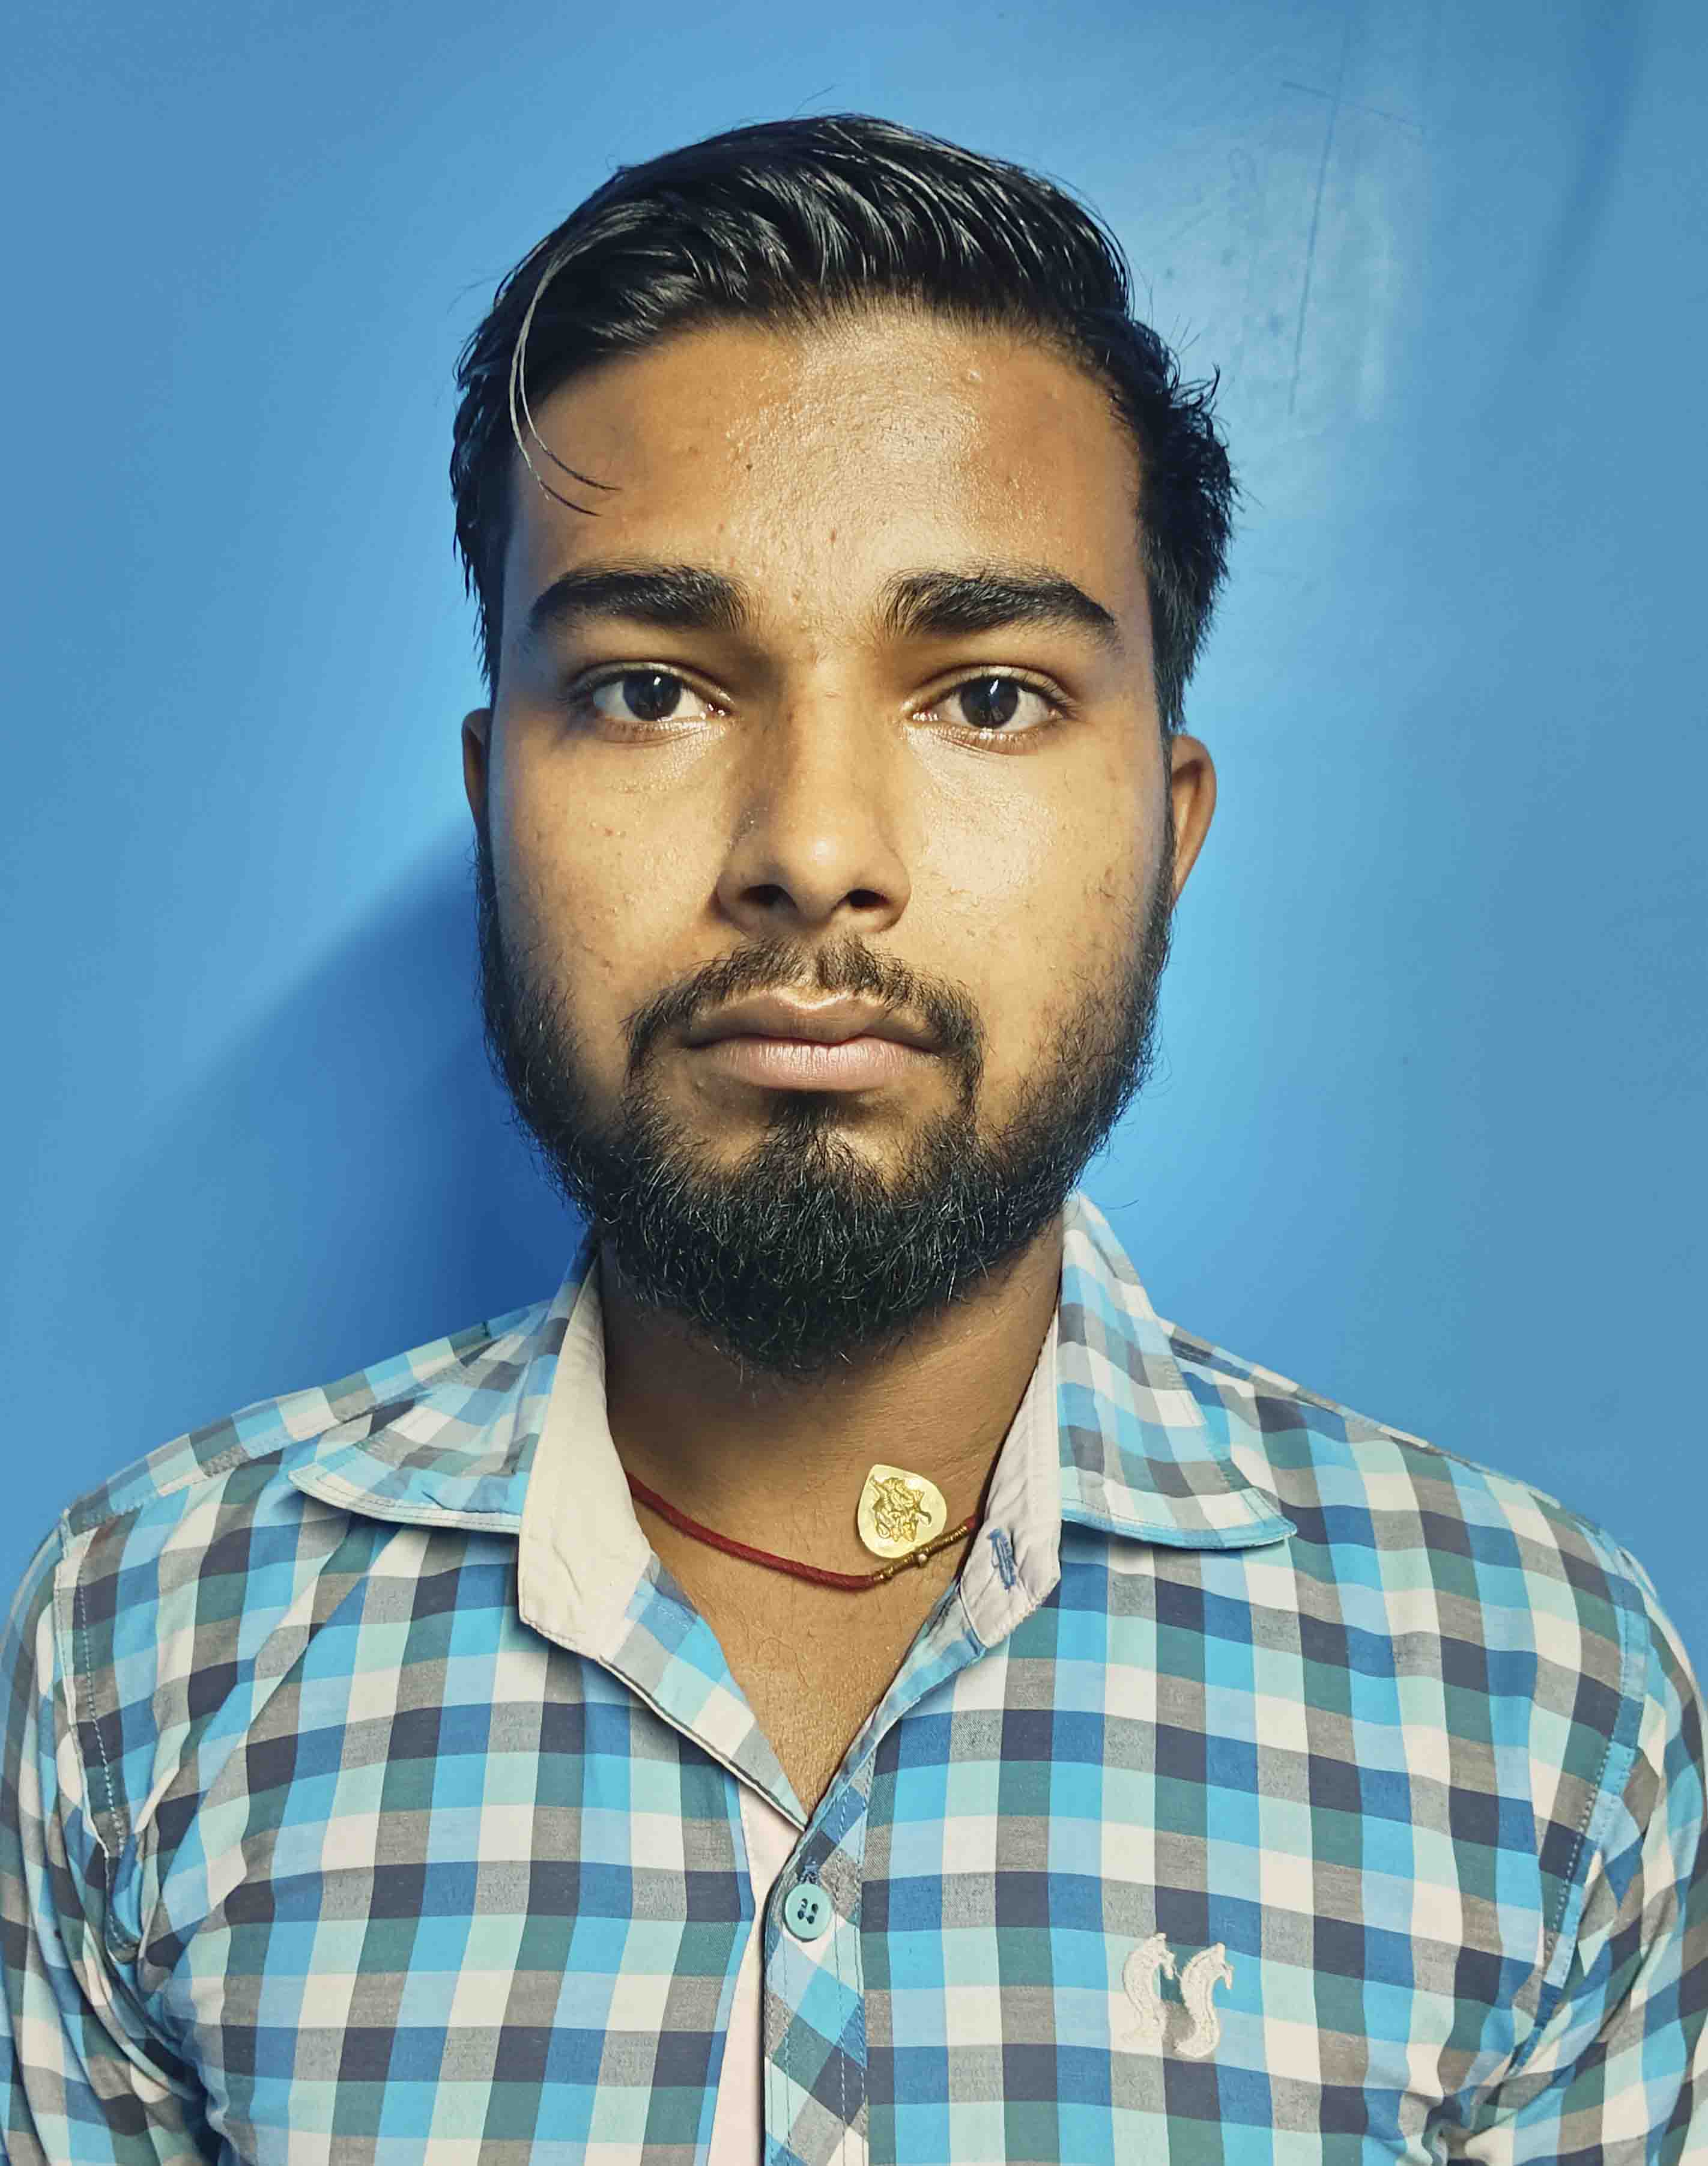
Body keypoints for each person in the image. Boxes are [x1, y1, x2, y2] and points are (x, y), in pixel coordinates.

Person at [2, 112, 1701, 2165]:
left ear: (1165, 830)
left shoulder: (1540, 1705)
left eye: (983, 696)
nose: (811, 853)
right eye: (649, 689)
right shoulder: (142, 1648)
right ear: (493, 803)